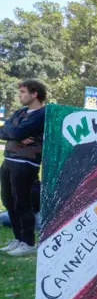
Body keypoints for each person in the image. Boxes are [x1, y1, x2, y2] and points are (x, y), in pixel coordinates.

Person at [0, 80, 47, 256]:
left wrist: (15, 133)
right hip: (9, 160)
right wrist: (15, 134)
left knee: (22, 203)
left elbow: (16, 132)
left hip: (26, 163)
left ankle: (28, 242)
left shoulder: (42, 114)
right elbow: (3, 130)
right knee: (8, 201)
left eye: (23, 92)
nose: (20, 95)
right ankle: (18, 239)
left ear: (35, 94)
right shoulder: (20, 112)